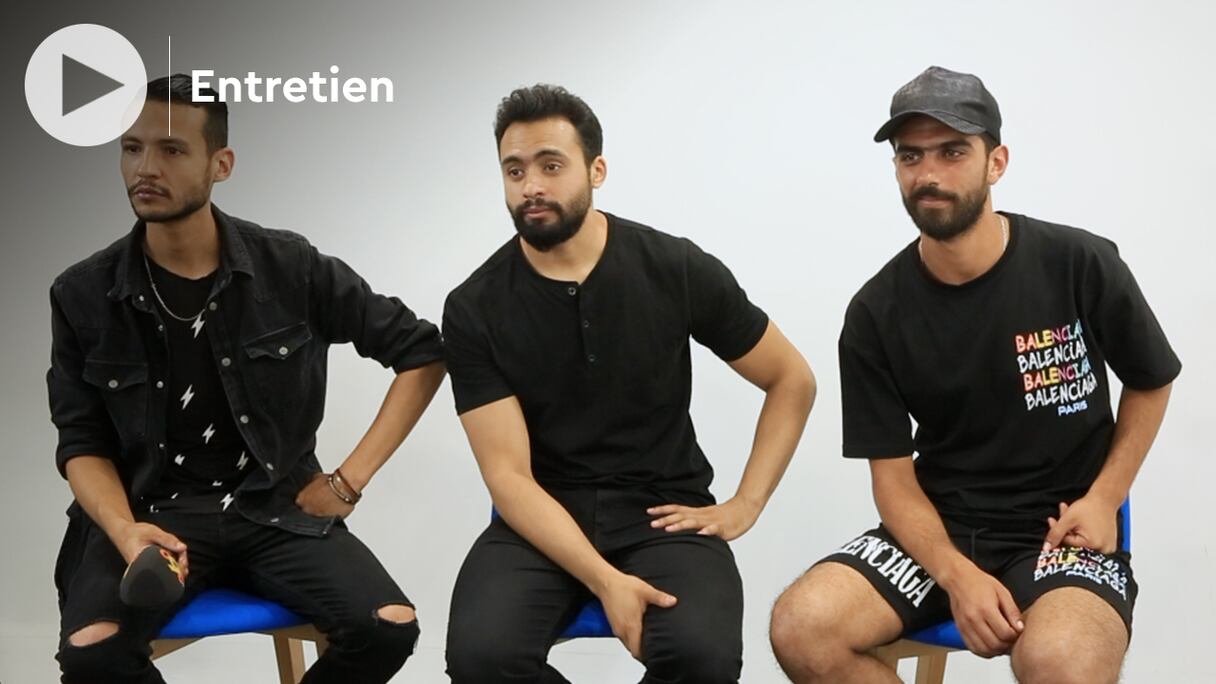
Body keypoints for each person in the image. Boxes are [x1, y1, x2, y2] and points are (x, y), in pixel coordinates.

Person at [769, 66, 1181, 684]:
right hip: (938, 533)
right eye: (910, 156)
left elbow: (1150, 379)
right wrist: (956, 574)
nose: (928, 174)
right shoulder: (875, 312)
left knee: (1062, 661)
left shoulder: (1078, 262)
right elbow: (892, 480)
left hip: (1061, 530)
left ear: (996, 162)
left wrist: (1104, 499)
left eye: (953, 151)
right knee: (802, 626)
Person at [48, 74, 445, 683]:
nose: (145, 168)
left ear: (221, 163)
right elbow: (81, 443)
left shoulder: (290, 266)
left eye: (172, 149)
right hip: (150, 514)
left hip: (274, 509)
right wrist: (125, 532)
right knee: (93, 650)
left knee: (387, 625)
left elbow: (422, 352)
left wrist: (347, 481)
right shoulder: (82, 293)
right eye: (132, 148)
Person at [442, 84, 816, 683]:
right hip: (541, 518)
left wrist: (745, 504)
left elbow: (790, 378)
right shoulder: (473, 307)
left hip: (664, 512)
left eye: (550, 165)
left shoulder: (674, 267)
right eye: (514, 170)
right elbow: (508, 477)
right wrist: (606, 580)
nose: (530, 185)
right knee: (481, 659)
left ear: (596, 170)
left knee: (702, 658)